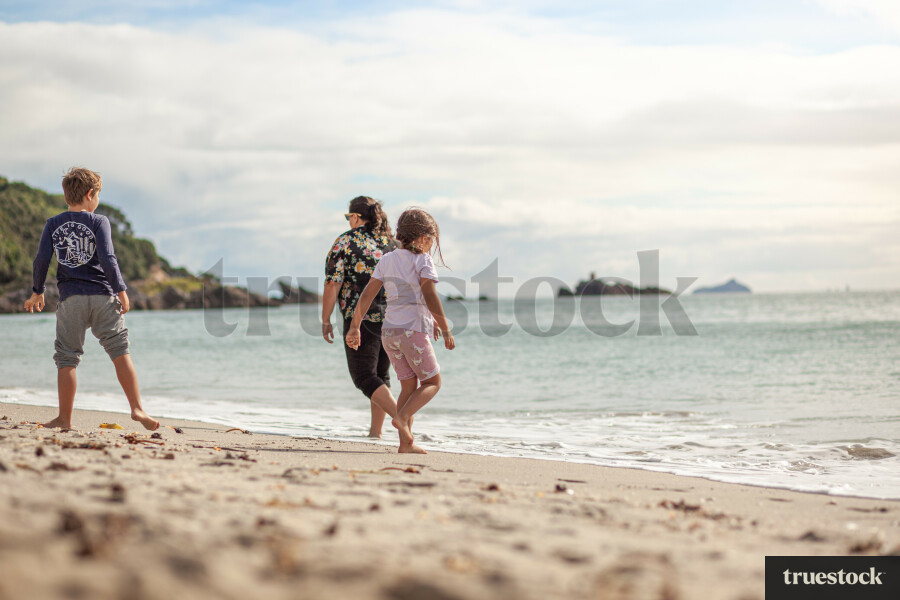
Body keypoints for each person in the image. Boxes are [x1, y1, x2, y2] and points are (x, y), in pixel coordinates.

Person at [23, 167, 159, 431]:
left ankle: (65, 419)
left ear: (66, 197)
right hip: (102, 297)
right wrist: (121, 289)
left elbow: (41, 259)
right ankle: (137, 408)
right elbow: (108, 258)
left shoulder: (53, 223)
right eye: (97, 196)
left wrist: (37, 290)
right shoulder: (99, 222)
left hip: (71, 299)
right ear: (90, 194)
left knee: (67, 358)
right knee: (120, 351)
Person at [346, 208, 455, 454]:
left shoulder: (387, 259)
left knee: (408, 386)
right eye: (431, 240)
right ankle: (402, 417)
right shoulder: (422, 260)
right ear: (424, 238)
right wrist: (446, 327)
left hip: (390, 332)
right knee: (432, 381)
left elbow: (368, 295)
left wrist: (355, 325)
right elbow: (428, 294)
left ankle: (405, 443)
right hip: (412, 331)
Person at [322, 196, 399, 437]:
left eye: (348, 217)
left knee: (364, 377)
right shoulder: (391, 243)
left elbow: (332, 283)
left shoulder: (345, 241)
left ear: (355, 217)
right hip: (393, 317)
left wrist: (325, 319)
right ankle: (375, 433)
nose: (348, 221)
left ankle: (403, 419)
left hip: (360, 318)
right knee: (380, 376)